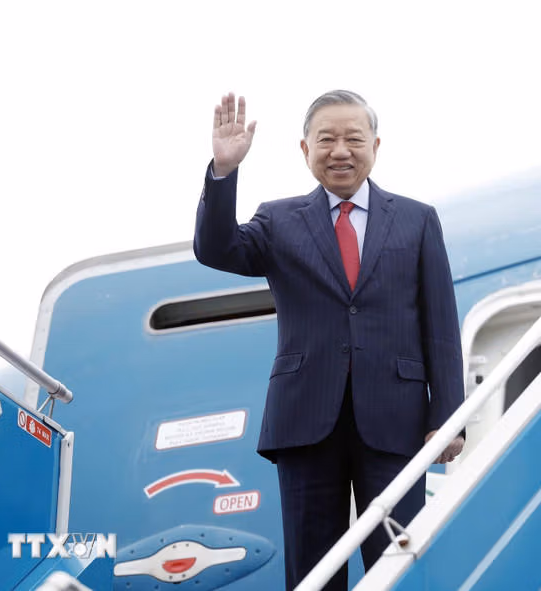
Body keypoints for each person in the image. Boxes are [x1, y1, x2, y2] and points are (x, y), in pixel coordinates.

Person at [193, 90, 465, 590]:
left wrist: (446, 418)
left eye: (353, 139)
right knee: (314, 572)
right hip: (305, 422)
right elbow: (216, 249)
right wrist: (224, 170)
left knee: (398, 564)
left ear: (375, 146)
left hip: (397, 421)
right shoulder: (278, 220)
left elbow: (441, 325)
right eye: (326, 140)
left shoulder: (417, 219)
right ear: (305, 150)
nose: (340, 150)